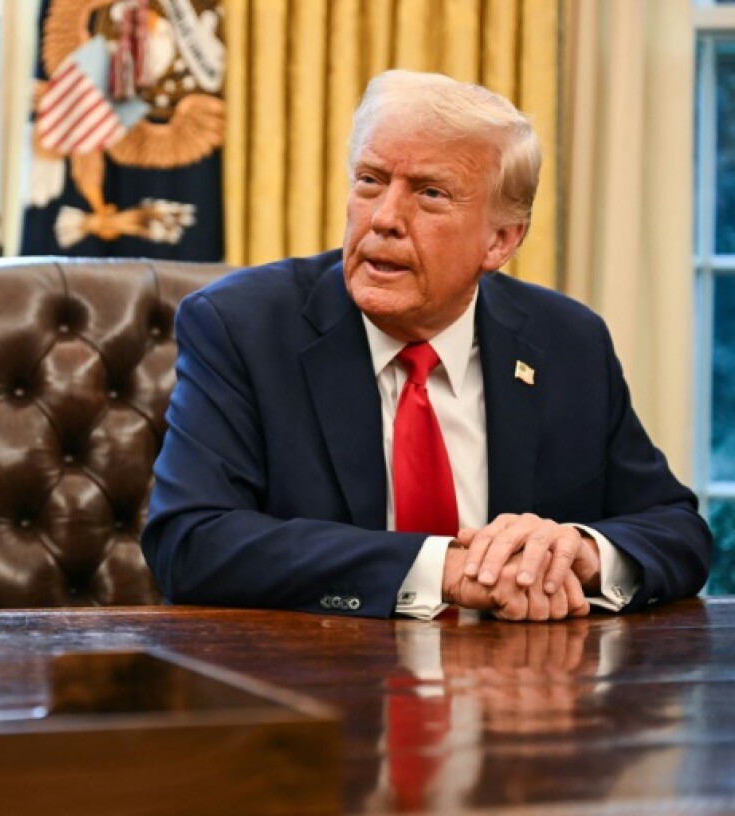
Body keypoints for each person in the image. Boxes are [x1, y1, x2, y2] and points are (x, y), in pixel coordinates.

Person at [141, 70, 712, 621]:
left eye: (431, 193)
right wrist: (443, 569)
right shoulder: (243, 327)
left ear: (501, 239)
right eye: (370, 180)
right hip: (322, 695)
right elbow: (191, 541)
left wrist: (580, 554)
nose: (384, 218)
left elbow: (677, 530)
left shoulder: (568, 343)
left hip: (523, 699)